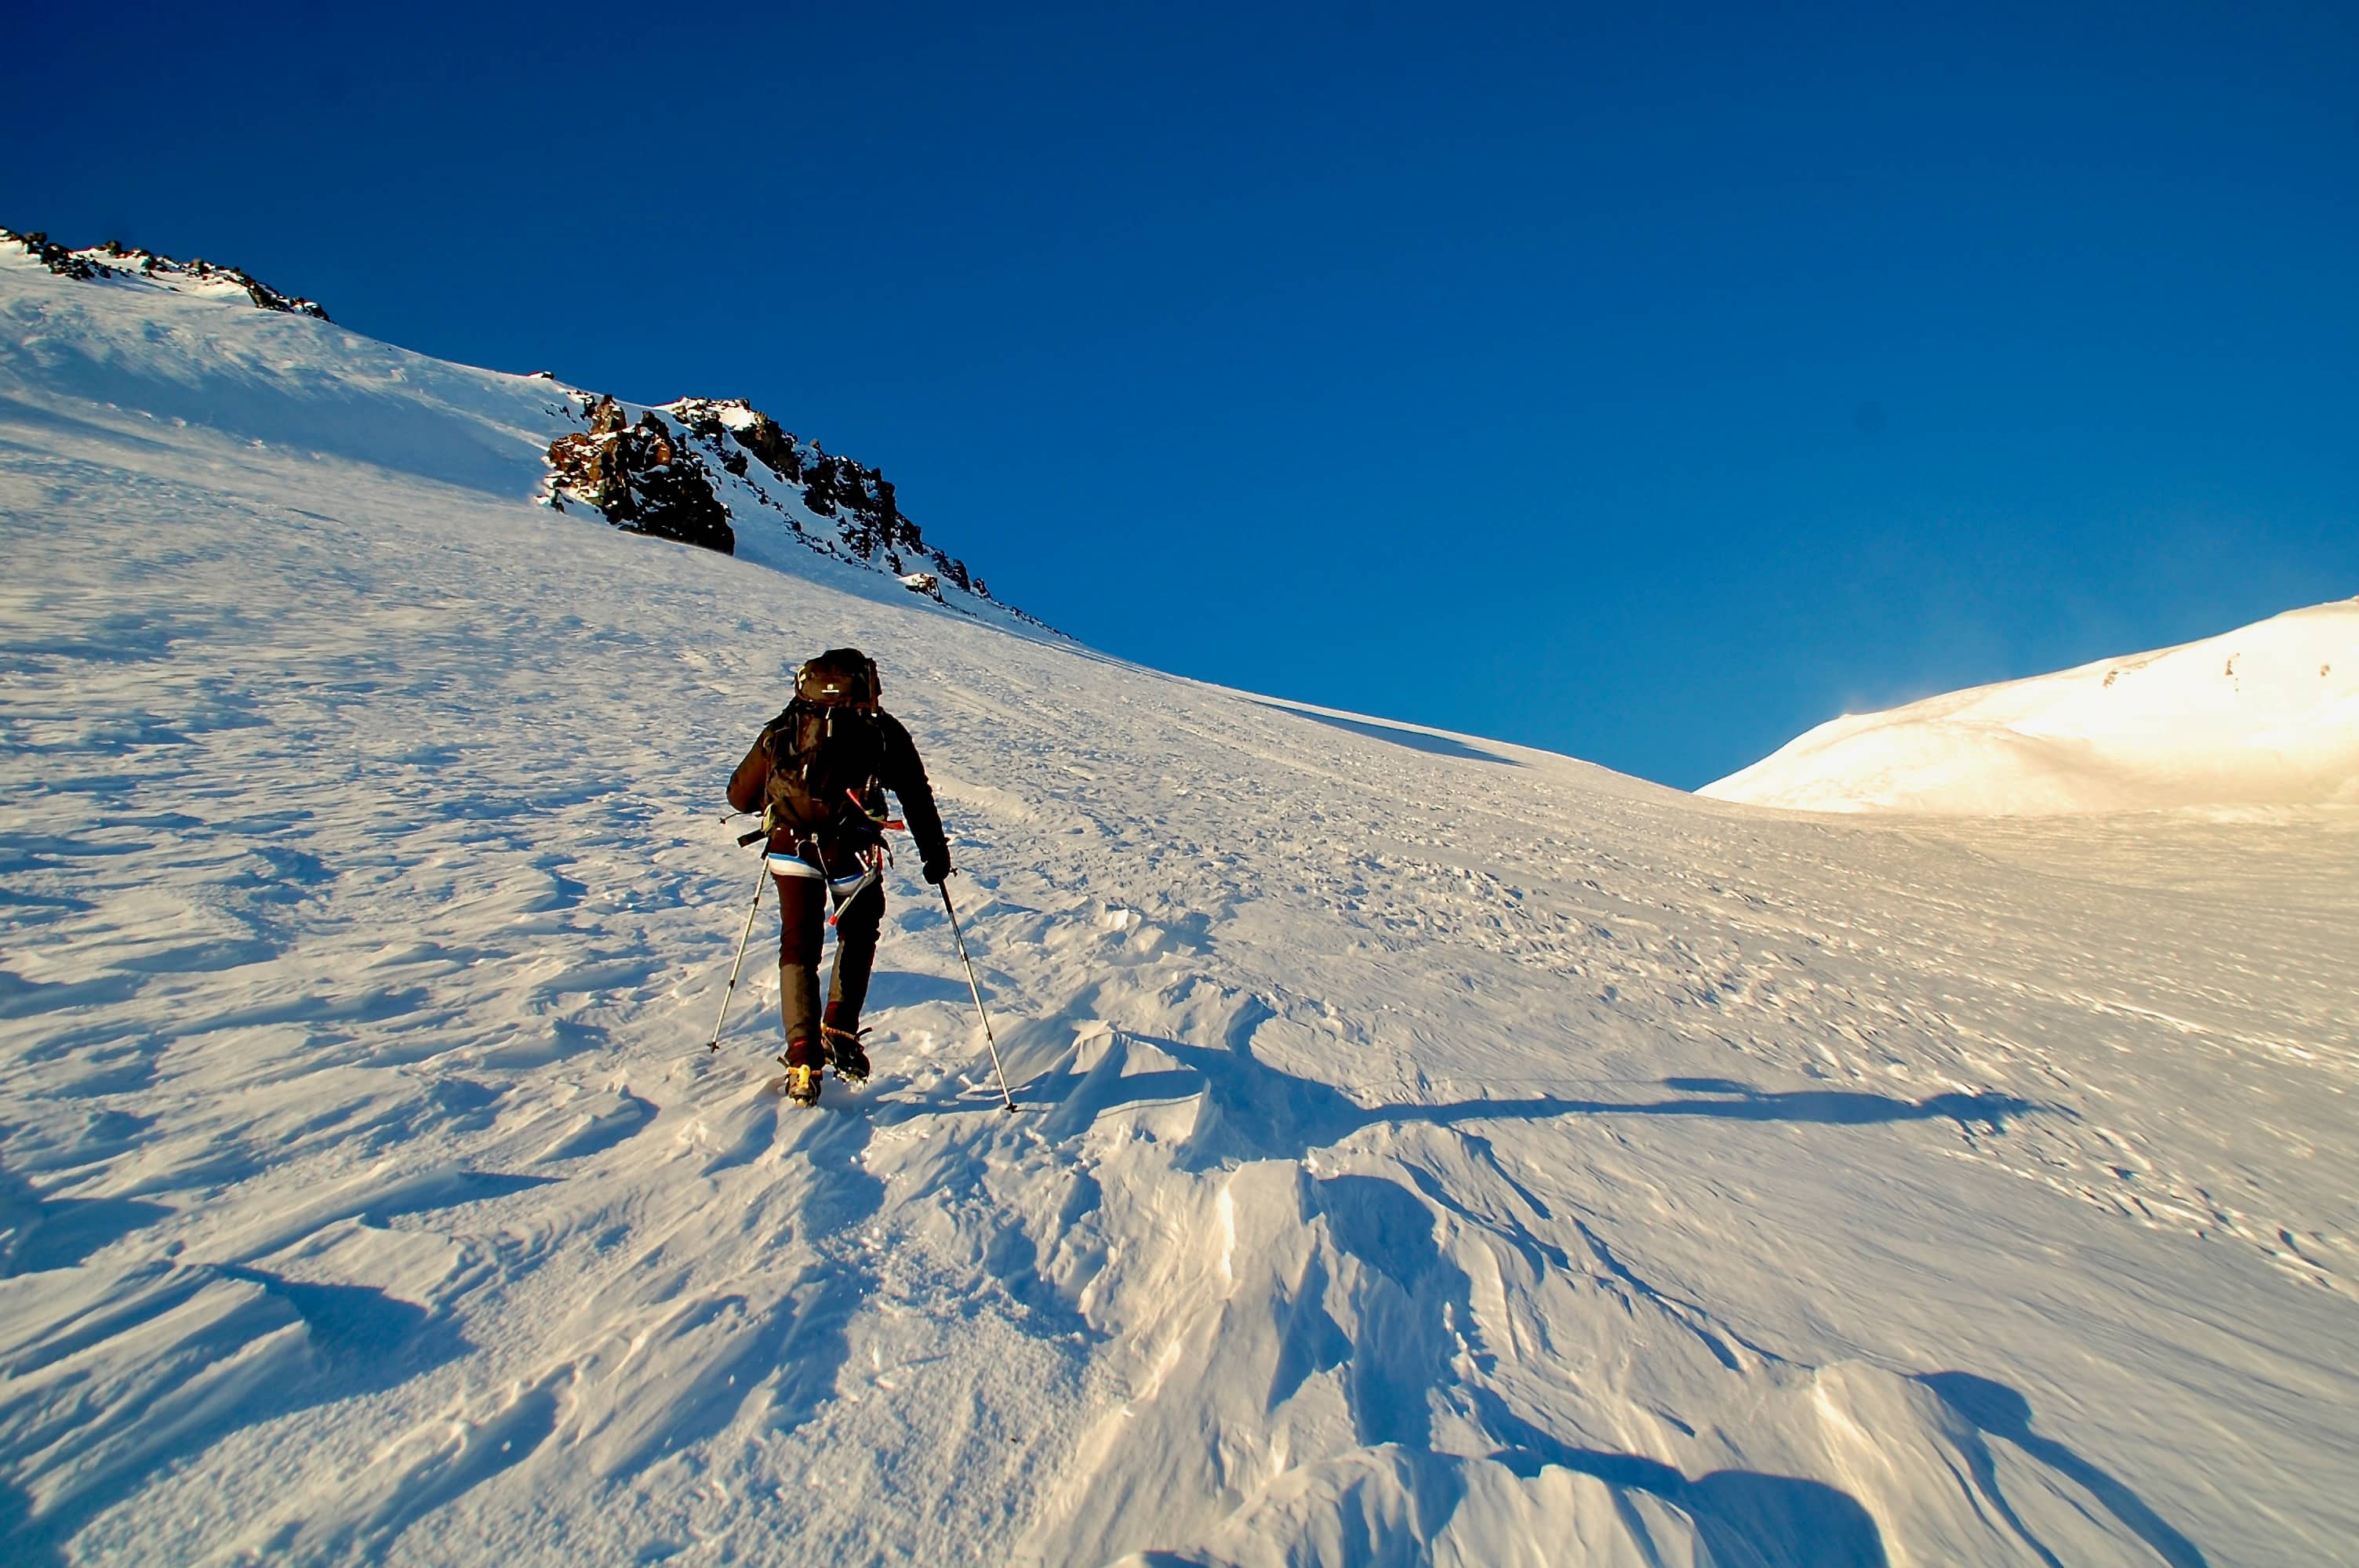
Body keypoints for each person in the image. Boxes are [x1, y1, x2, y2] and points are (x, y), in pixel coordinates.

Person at [727, 648, 951, 1105]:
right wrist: (935, 854)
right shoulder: (881, 730)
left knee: (798, 943)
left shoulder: (784, 727)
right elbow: (915, 792)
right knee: (859, 929)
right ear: (868, 686)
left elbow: (739, 796)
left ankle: (802, 1057)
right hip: (851, 850)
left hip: (790, 846)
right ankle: (840, 1027)